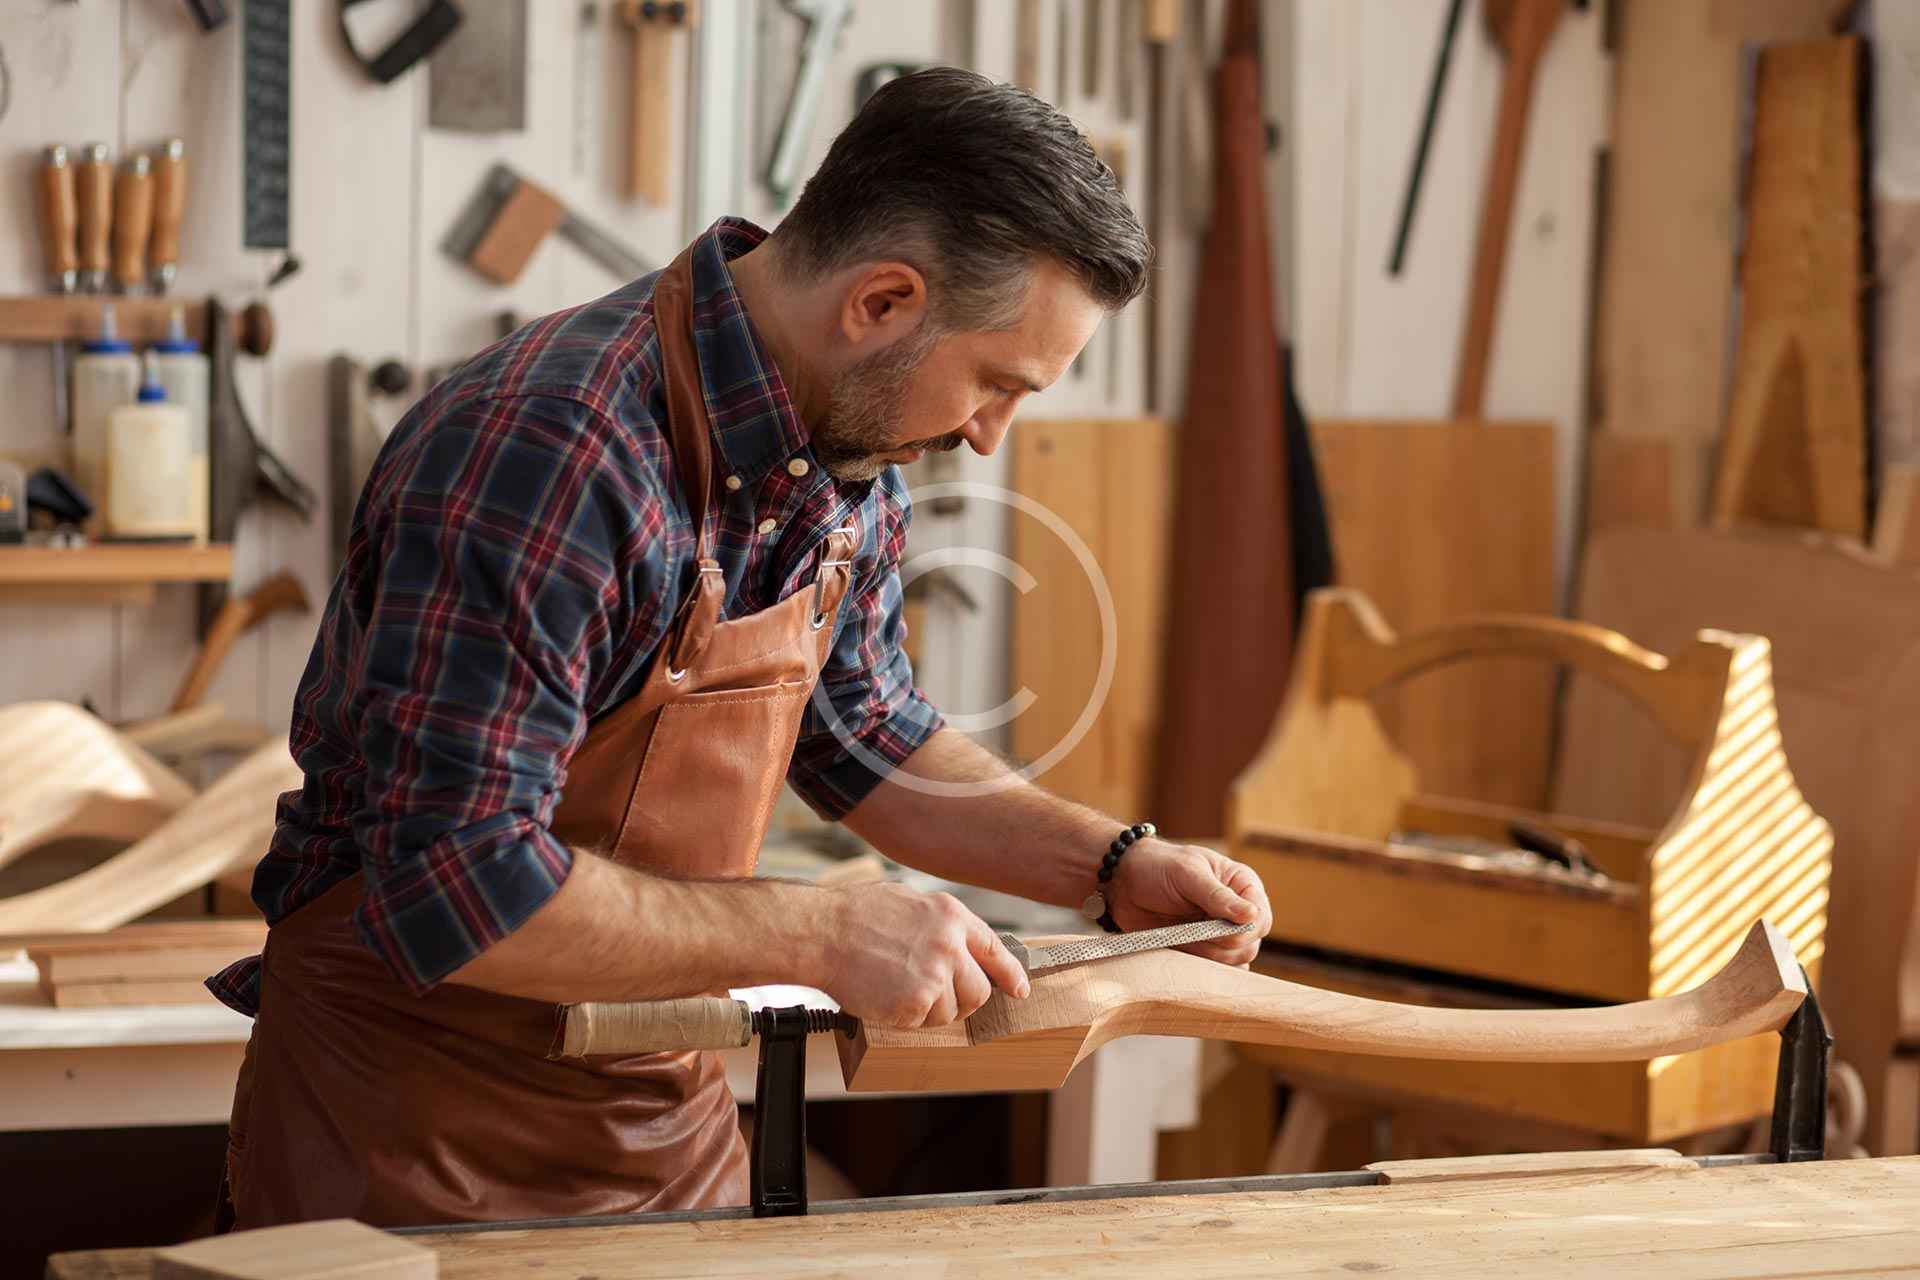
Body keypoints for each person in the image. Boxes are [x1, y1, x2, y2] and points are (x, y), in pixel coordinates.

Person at [211, 66, 1273, 1228]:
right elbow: (463, 889)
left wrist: (1109, 864)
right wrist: (822, 928)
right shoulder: (555, 450)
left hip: (654, 1106)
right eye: (996, 383)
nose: (987, 433)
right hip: (400, 1125)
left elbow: (869, 739)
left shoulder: (847, 460)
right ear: (882, 303)